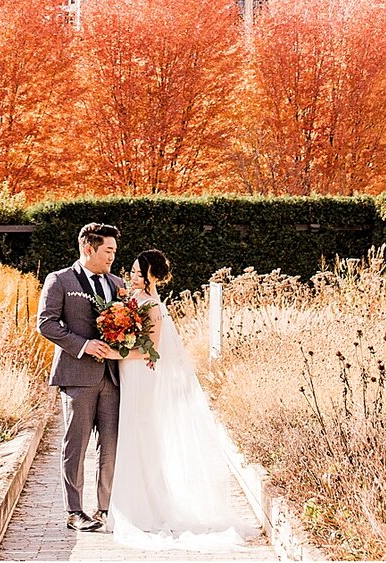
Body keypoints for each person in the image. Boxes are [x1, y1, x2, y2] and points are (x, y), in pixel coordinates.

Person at [109, 249, 246, 550]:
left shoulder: (152, 307)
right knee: (132, 435)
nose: (131, 275)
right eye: (130, 270)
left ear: (151, 276)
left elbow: (150, 351)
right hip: (128, 374)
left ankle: (145, 509)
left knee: (140, 434)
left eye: (136, 271)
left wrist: (112, 351)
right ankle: (130, 503)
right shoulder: (130, 301)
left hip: (142, 375)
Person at [35, 221, 127, 533]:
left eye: (114, 251)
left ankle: (104, 508)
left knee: (111, 445)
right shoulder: (59, 280)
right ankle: (74, 511)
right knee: (75, 445)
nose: (113, 256)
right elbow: (46, 323)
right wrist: (84, 345)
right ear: (89, 248)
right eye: (108, 250)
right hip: (77, 376)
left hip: (113, 377)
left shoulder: (117, 283)